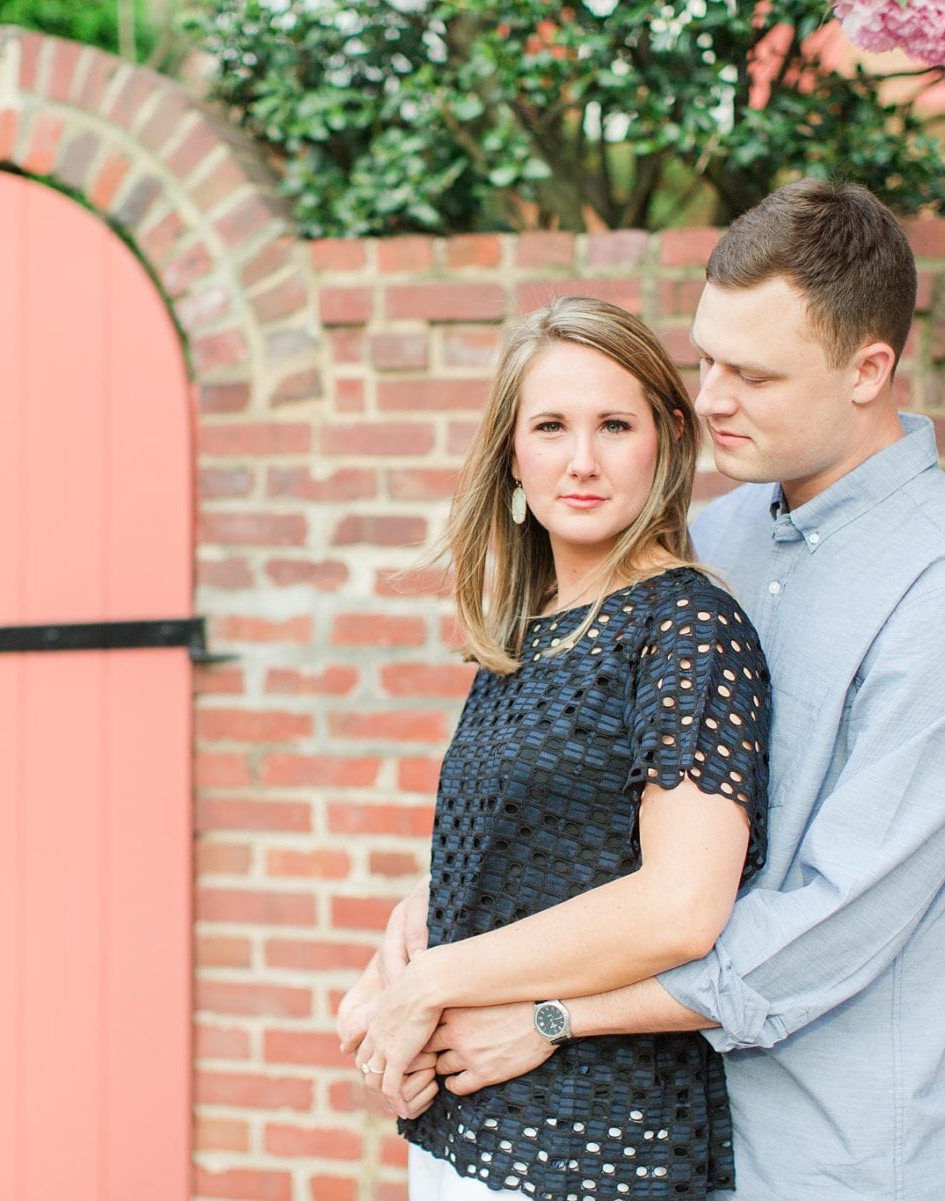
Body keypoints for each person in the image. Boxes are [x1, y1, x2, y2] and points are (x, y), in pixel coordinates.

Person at [362, 179, 945, 1200]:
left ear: (872, 370)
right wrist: (447, 909)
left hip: (847, 1156)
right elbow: (605, 816)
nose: (713, 397)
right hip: (676, 1135)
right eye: (709, 358)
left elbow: (830, 926)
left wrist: (549, 1012)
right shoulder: (713, 543)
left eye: (756, 373)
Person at [336, 296, 772, 1200]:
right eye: (551, 426)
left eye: (614, 424)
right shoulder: (529, 629)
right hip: (466, 1132)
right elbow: (538, 851)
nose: (581, 461)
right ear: (512, 455)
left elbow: (681, 906)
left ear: (666, 439)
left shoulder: (686, 624)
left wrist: (435, 982)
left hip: (603, 1146)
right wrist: (400, 963)